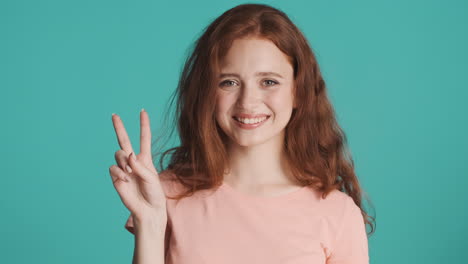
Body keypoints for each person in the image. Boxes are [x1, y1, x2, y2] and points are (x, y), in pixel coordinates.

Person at [109, 3, 375, 264]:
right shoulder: (165, 195)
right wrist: (151, 224)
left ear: (298, 91)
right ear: (208, 93)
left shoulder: (337, 214)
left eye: (268, 81)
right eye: (229, 82)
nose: (248, 102)